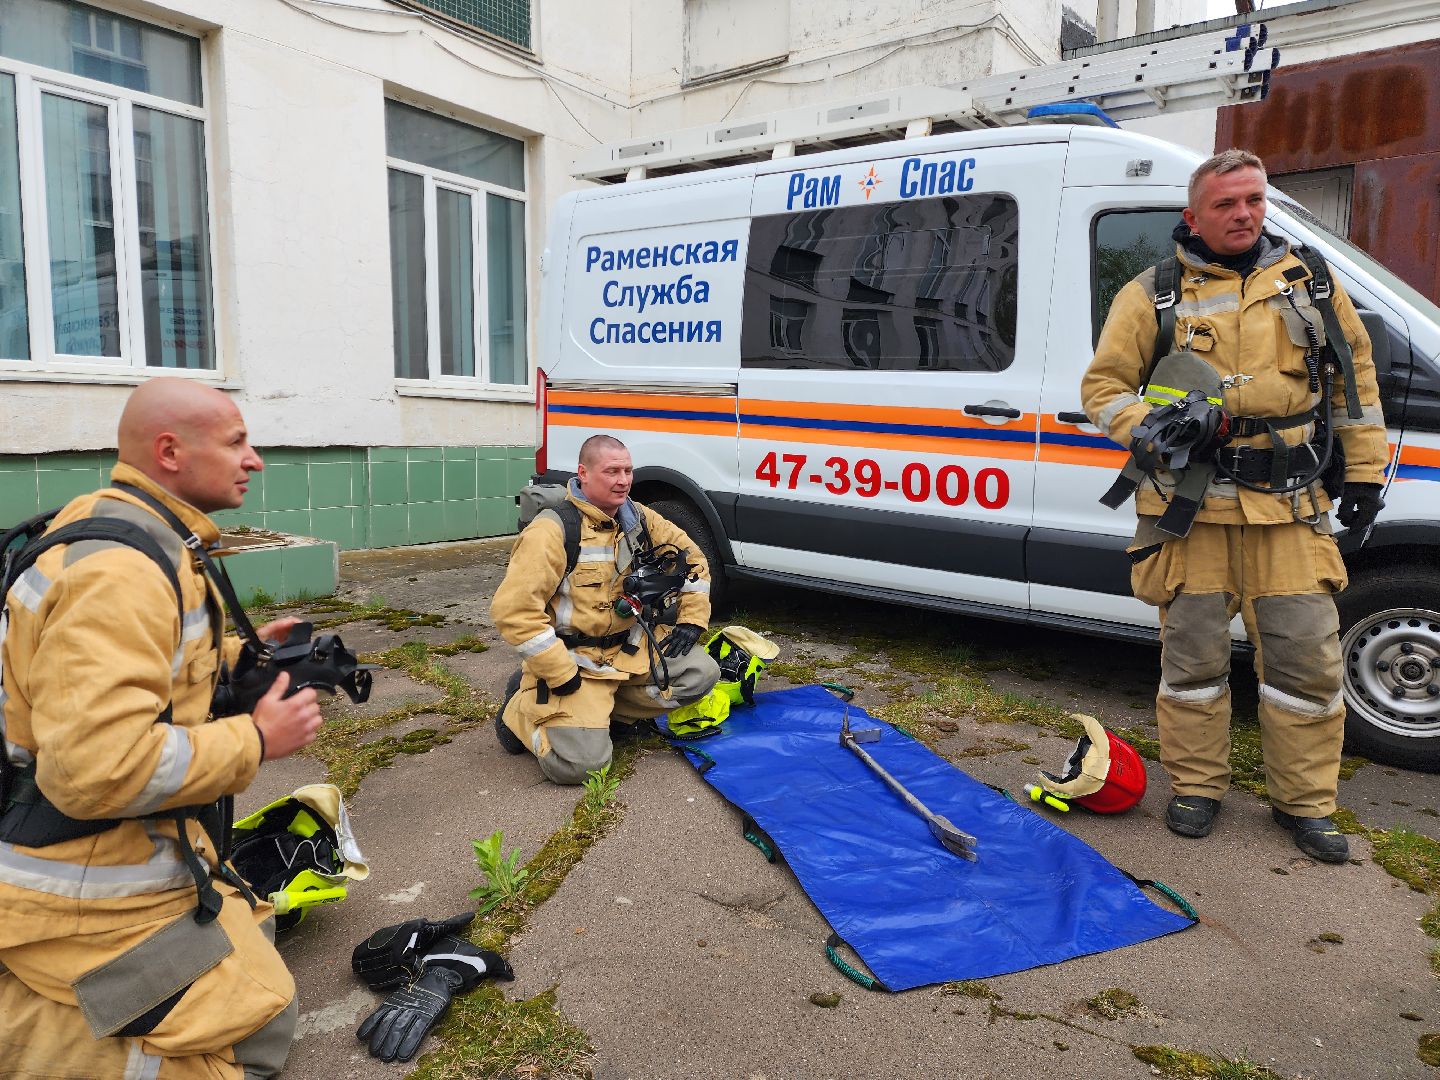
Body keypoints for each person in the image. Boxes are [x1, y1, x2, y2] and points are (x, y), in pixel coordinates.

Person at [0, 378, 323, 1077]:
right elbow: (96, 768)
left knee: (267, 1006)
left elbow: (153, 662)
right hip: (79, 887)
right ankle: (25, 1023)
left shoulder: (145, 533)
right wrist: (259, 739)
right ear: (170, 451)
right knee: (253, 1038)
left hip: (127, 856)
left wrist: (237, 659)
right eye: (237, 441)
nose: (255, 459)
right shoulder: (121, 568)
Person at [1082, 149, 1388, 863]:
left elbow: (1355, 381)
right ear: (1194, 216)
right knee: (1191, 664)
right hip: (1188, 516)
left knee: (1305, 667)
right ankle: (1196, 788)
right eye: (1225, 204)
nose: (1243, 213)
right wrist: (1147, 428)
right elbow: (1103, 387)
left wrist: (1367, 474)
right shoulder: (1152, 295)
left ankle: (1305, 805)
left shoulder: (1310, 284)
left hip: (1290, 512)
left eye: (1252, 199)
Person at [492, 434, 720, 784]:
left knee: (700, 673)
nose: (624, 480)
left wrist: (692, 618)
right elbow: (514, 612)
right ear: (583, 473)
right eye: (612, 471)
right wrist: (557, 672)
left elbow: (693, 560)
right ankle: (518, 712)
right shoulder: (553, 531)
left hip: (629, 653)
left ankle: (604, 713)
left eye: (628, 470)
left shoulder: (640, 519)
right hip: (576, 664)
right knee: (581, 768)